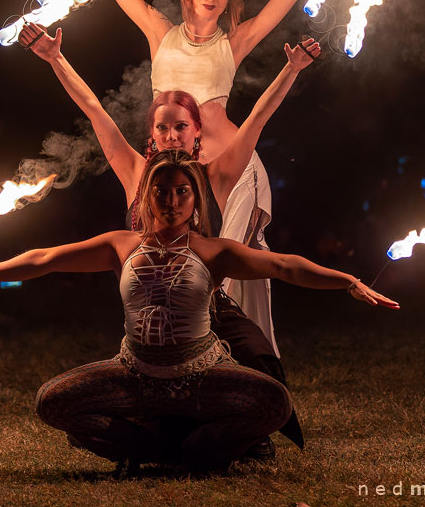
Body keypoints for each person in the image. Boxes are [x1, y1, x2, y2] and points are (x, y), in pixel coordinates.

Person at [0, 149, 399, 472]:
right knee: (53, 402)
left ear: (194, 200)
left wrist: (349, 282)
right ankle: (165, 453)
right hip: (133, 374)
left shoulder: (214, 251)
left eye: (181, 192)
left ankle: (189, 452)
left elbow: (284, 266)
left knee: (275, 402)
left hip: (201, 374)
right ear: (146, 198)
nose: (171, 201)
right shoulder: (121, 246)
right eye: (161, 192)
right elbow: (47, 258)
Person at [20, 23, 319, 451]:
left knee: (261, 365)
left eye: (181, 127)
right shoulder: (135, 174)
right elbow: (93, 110)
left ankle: (239, 435)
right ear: (152, 135)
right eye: (163, 129)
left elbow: (257, 120)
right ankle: (158, 440)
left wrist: (292, 69)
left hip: (208, 310)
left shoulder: (214, 176)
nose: (172, 136)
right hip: (150, 321)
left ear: (197, 132)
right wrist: (54, 58)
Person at [94, 0, 315, 353]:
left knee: (224, 270)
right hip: (174, 173)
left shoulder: (233, 42)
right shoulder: (159, 32)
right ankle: (177, 366)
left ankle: (242, 371)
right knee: (170, 269)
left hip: (232, 174)